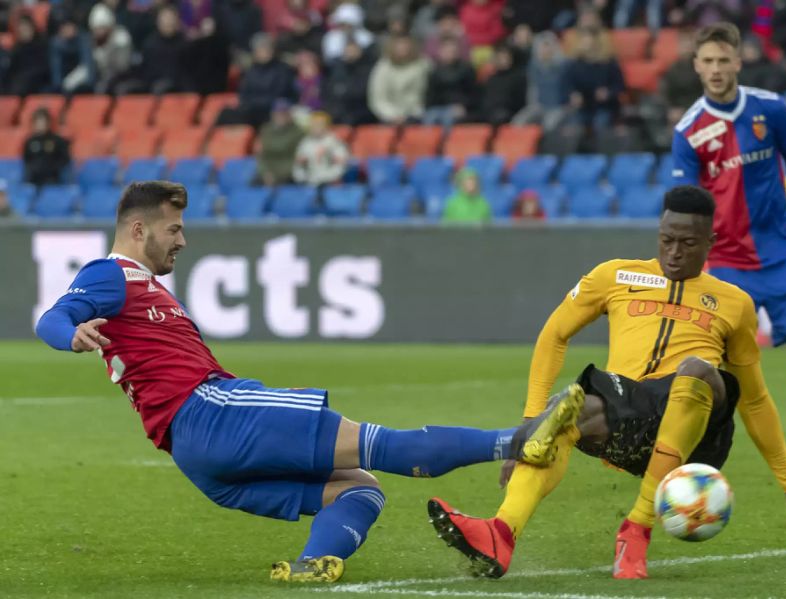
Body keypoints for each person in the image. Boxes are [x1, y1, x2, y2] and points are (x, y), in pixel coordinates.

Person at [34, 180, 581, 584]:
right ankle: (516, 440)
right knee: (380, 443)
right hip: (213, 412)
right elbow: (52, 317)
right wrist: (72, 334)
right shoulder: (111, 274)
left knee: (361, 488)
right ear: (138, 229)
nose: (182, 240)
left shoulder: (147, 289)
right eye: (173, 229)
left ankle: (312, 565)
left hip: (199, 459)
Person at [428, 186, 786, 581]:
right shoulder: (615, 276)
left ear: (710, 242)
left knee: (697, 368)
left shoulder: (734, 303)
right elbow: (554, 334)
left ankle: (636, 530)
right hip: (629, 416)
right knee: (567, 406)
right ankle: (501, 533)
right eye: (666, 240)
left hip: (694, 435)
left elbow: (754, 401)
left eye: (687, 243)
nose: (674, 252)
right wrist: (530, 420)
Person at [670, 23, 786, 480]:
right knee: (709, 366)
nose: (717, 69)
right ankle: (686, 457)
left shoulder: (771, 109)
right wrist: (689, 257)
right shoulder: (689, 132)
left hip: (782, 254)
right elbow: (686, 203)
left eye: (724, 60)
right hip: (726, 262)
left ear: (739, 62)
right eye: (708, 61)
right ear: (696, 67)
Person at [217, 33, 297, 128]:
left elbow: (279, 95)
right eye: (261, 48)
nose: (265, 51)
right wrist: (251, 104)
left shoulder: (282, 69)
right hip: (252, 109)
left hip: (271, 110)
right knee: (225, 114)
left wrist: (255, 103)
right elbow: (244, 95)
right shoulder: (251, 71)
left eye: (267, 48)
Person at [367, 35, 429, 126]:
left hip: (418, 116)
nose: (403, 48)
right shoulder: (383, 68)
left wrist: (417, 113)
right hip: (390, 118)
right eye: (399, 45)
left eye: (405, 44)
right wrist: (393, 115)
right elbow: (378, 99)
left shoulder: (423, 65)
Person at [422, 37, 478, 129]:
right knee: (430, 117)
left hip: (458, 107)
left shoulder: (467, 70)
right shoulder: (435, 72)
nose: (449, 53)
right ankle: (427, 142)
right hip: (438, 108)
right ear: (440, 52)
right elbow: (430, 95)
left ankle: (446, 143)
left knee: (447, 117)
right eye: (446, 50)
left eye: (452, 51)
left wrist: (464, 107)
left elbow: (473, 94)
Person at [255, 99, 304, 187]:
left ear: (290, 115)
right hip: (267, 173)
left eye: (284, 113)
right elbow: (261, 156)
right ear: (273, 115)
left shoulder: (298, 132)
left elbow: (299, 158)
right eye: (278, 113)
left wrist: (278, 176)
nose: (281, 116)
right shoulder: (266, 130)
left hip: (289, 174)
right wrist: (265, 173)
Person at [293, 111, 349, 186]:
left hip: (330, 183)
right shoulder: (305, 143)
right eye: (314, 124)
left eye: (320, 125)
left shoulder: (334, 142)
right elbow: (298, 166)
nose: (316, 127)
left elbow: (342, 166)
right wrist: (303, 178)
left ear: (327, 126)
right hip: (310, 183)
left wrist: (327, 178)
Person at [23, 108, 71, 187]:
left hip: (52, 178)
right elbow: (26, 159)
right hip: (34, 178)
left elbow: (65, 159)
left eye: (42, 122)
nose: (40, 125)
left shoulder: (57, 141)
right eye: (38, 122)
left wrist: (52, 168)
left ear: (48, 123)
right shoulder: (29, 141)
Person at [6, 14, 50, 96]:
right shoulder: (17, 48)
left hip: (37, 83)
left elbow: (44, 68)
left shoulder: (41, 44)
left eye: (25, 28)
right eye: (21, 28)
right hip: (18, 85)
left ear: (32, 28)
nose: (23, 31)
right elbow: (11, 71)